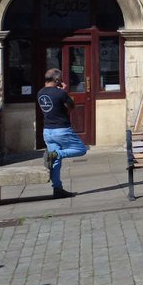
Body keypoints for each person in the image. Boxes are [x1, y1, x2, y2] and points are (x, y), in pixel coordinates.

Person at [38, 67, 87, 198]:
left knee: (55, 162)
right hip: (61, 130)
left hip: (47, 131)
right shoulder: (60, 93)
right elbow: (72, 107)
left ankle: (57, 189)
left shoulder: (40, 93)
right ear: (57, 80)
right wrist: (64, 92)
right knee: (81, 149)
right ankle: (56, 154)